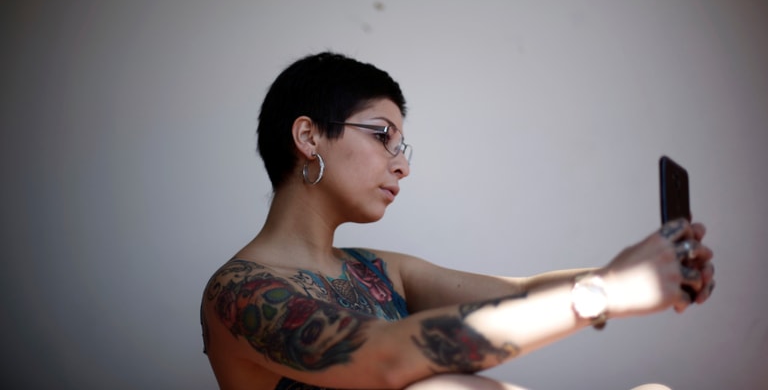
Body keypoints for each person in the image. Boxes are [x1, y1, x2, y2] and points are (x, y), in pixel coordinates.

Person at [200, 52, 715, 390]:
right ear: (308, 137)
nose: (401, 165)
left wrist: (641, 271)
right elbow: (387, 358)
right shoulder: (238, 292)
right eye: (382, 136)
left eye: (402, 147)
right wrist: (608, 292)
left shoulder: (378, 269)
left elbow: (519, 295)